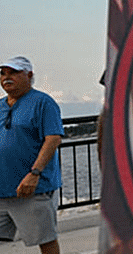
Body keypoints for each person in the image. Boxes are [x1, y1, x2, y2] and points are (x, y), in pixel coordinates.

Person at [0, 57, 63, 254]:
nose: (6, 77)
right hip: (2, 189)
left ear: (29, 75)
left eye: (13, 72)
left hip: (31, 189)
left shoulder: (43, 103)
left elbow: (53, 139)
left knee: (45, 239)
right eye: (3, 73)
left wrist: (35, 173)